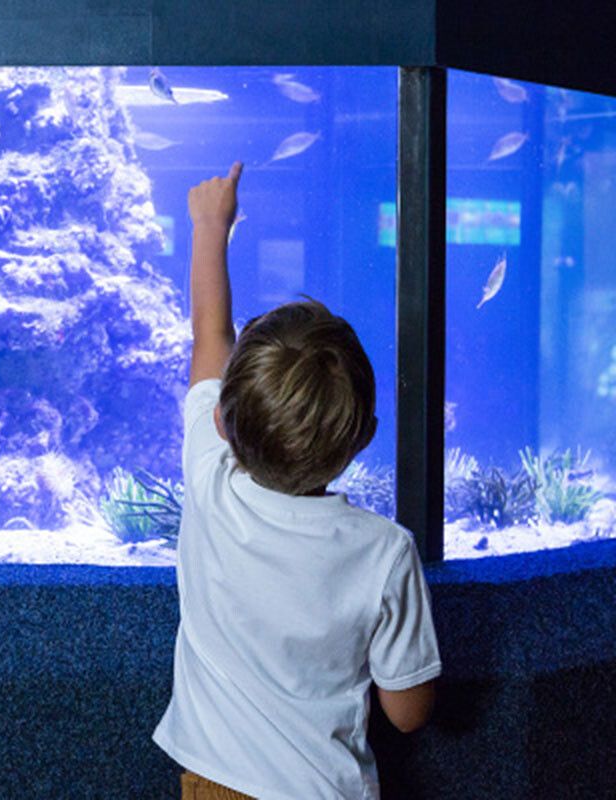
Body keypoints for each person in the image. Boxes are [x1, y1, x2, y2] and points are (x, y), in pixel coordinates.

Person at [152, 161, 442, 799]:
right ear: (364, 436)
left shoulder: (209, 485)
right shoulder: (384, 551)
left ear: (224, 423)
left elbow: (209, 337)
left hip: (214, 785)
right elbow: (408, 711)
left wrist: (209, 226)